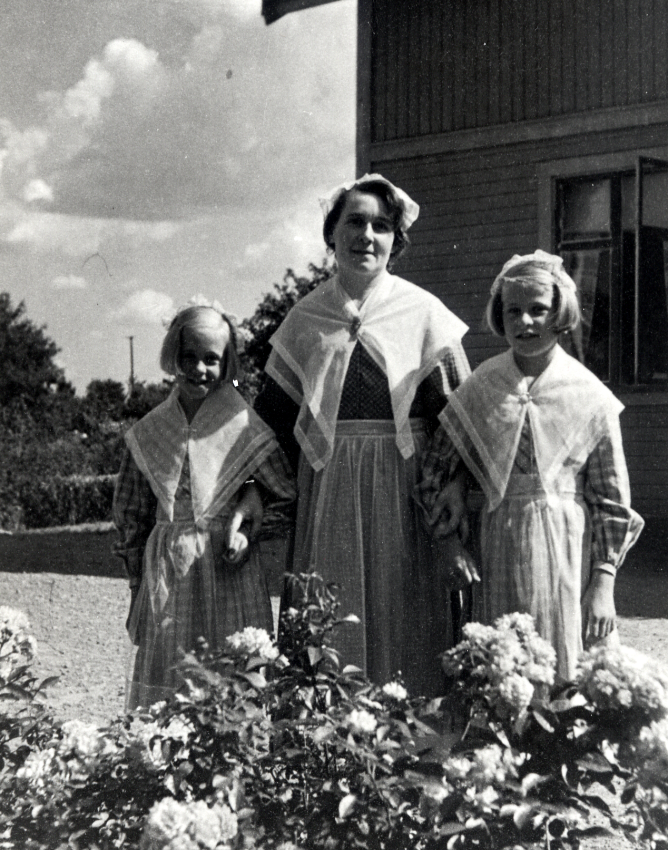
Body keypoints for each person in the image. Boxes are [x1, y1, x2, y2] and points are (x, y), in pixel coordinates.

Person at [254, 174, 471, 695]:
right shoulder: (306, 319)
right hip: (328, 493)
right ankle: (329, 753)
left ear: (397, 239)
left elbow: (463, 419)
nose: (367, 235)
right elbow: (268, 428)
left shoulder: (423, 314)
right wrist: (249, 496)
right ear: (332, 234)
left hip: (405, 494)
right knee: (331, 615)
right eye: (354, 222)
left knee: (407, 616)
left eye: (381, 225)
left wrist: (456, 485)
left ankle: (409, 753)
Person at [418, 250, 644, 680]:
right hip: (497, 541)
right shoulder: (482, 385)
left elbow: (612, 499)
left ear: (560, 311)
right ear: (499, 316)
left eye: (538, 310)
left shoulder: (586, 391)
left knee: (562, 659)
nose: (525, 322)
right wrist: (447, 542)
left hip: (565, 545)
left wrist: (604, 583)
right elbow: (435, 470)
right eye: (513, 311)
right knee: (499, 661)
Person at [113, 299, 296, 709]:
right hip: (170, 570)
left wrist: (248, 520)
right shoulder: (151, 430)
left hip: (228, 569)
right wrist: (136, 587)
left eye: (211, 359)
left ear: (227, 363)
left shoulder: (243, 424)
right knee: (172, 677)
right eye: (188, 357)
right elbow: (130, 518)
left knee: (235, 674)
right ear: (172, 357)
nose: (199, 369)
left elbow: (284, 492)